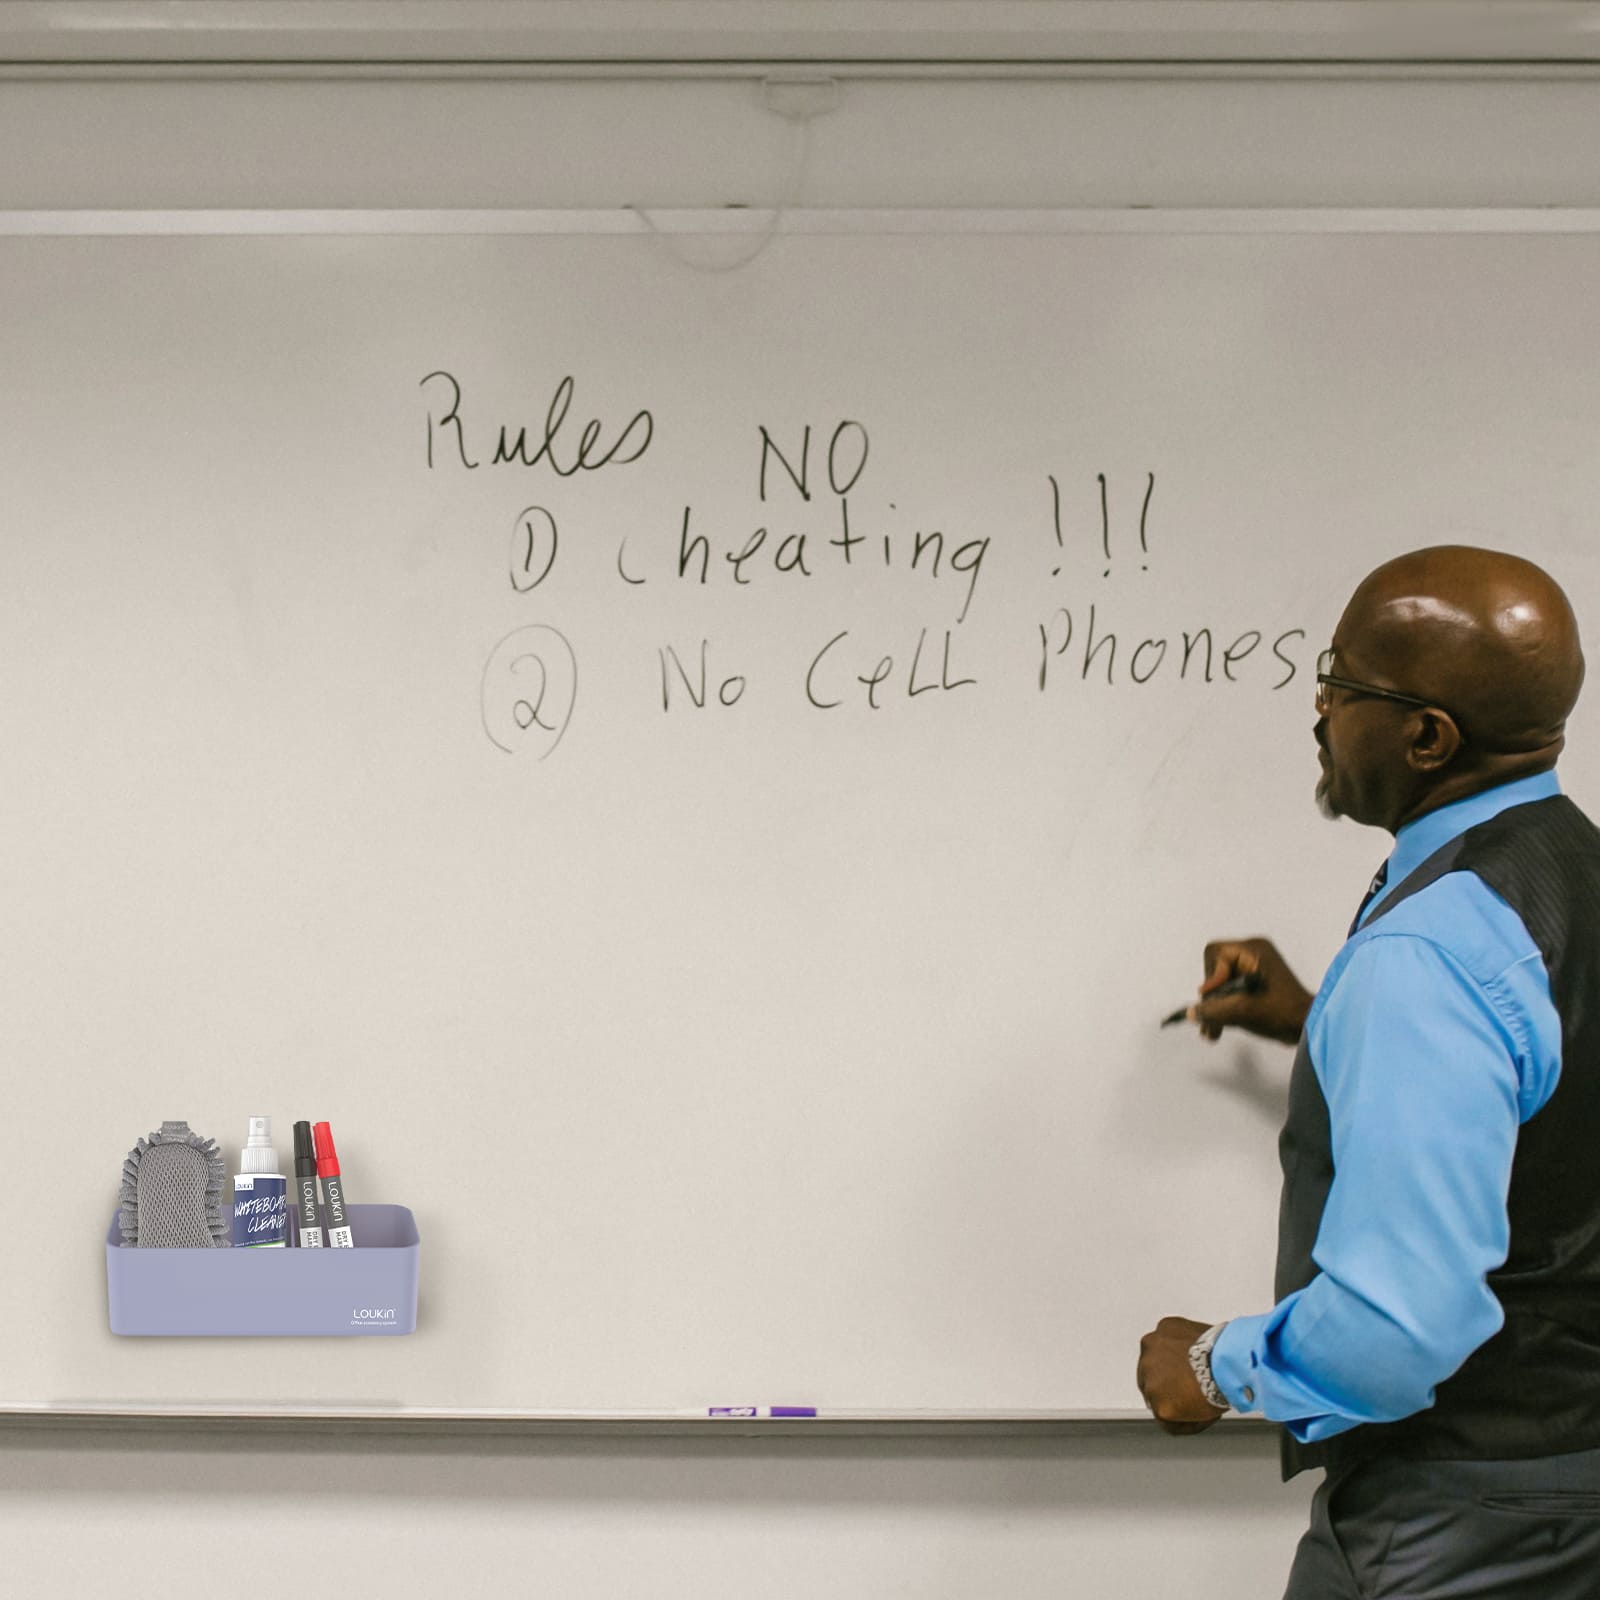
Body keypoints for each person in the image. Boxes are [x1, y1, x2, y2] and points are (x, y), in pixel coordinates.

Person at [1135, 545, 1600, 1598]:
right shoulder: (1571, 879)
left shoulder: (1426, 957)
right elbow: (1552, 1095)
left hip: (1460, 1523)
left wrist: (1211, 1365)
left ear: (1425, 736)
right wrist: (1320, 1019)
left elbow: (1397, 1331)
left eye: (1338, 684)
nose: (1316, 710)